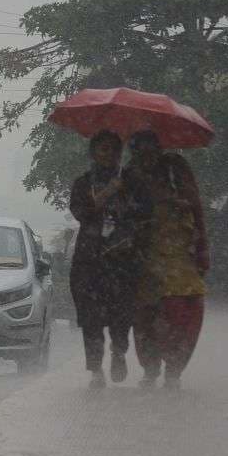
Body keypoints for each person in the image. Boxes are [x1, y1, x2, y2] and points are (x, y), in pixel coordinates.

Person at [124, 132, 209, 390]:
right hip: (145, 260)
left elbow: (194, 208)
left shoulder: (175, 168)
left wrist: (171, 201)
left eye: (151, 151)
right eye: (140, 152)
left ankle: (173, 370)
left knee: (182, 318)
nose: (146, 157)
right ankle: (150, 368)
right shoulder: (128, 175)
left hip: (179, 260)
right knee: (145, 319)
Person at [68, 131, 149, 387]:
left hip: (122, 262)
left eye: (113, 150)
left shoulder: (132, 182)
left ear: (120, 154)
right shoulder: (83, 183)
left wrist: (125, 199)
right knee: (91, 319)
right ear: (93, 153)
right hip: (89, 262)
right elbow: (81, 213)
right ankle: (95, 370)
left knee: (121, 315)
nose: (108, 155)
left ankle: (118, 352)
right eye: (103, 150)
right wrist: (105, 194)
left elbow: (146, 212)